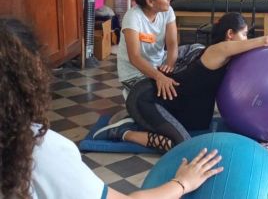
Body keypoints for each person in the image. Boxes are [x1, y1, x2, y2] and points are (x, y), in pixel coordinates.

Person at [0, 18, 223, 199]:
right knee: (183, 143)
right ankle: (122, 131)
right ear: (31, 77)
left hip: (157, 83)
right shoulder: (39, 150)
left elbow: (172, 49)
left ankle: (123, 130)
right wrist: (182, 183)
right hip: (142, 91)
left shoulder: (37, 149)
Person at [95, 12, 268, 151]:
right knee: (184, 147)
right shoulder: (219, 50)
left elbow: (264, 51)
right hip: (148, 98)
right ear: (230, 34)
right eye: (244, 34)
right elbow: (264, 41)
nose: (246, 39)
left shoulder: (227, 54)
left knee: (196, 128)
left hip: (175, 104)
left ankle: (135, 119)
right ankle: (121, 132)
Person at [94, 0, 205, 153]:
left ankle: (155, 103)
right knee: (157, 95)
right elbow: (135, 57)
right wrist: (159, 76)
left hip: (160, 65)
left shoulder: (167, 11)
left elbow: (173, 44)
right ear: (150, 1)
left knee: (199, 50)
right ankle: (127, 125)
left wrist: (169, 64)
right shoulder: (133, 17)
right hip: (136, 74)